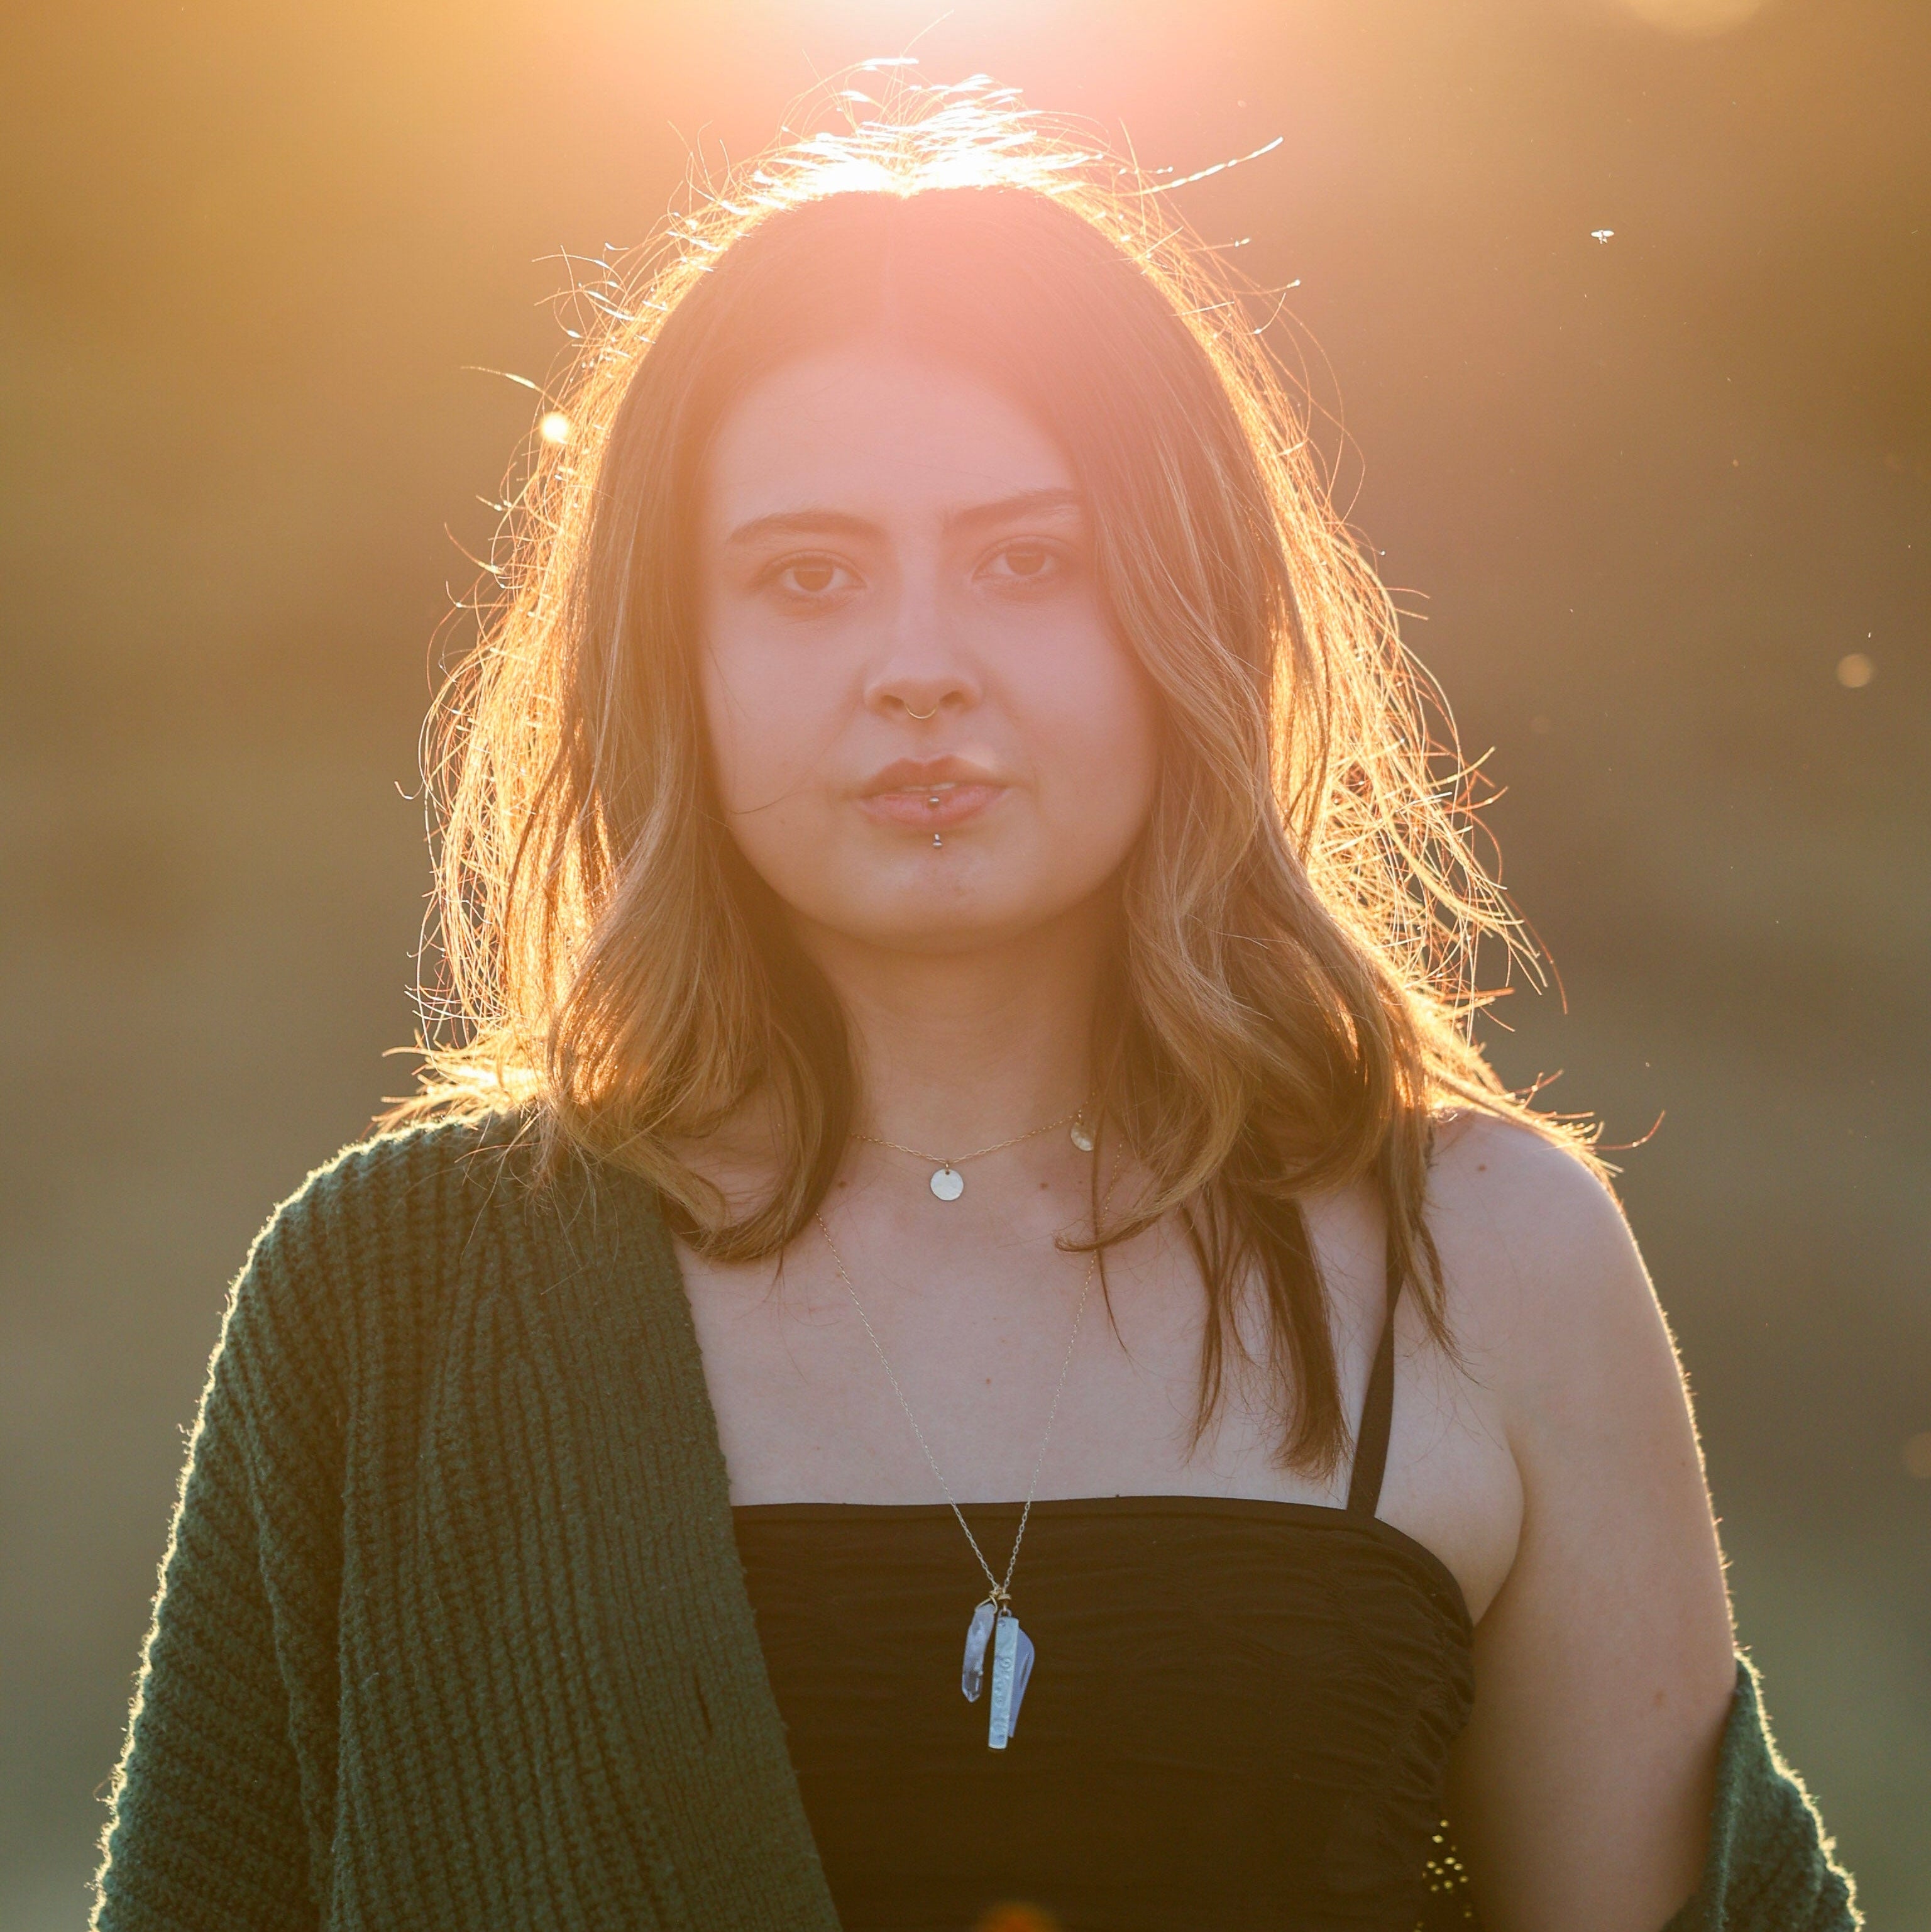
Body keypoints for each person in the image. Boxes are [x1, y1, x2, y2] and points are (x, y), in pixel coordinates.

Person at [92, 78, 1856, 1932]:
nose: (919, 667)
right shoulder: (394, 1304)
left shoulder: (1489, 1261)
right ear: (672, 658)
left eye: (1030, 561)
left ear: (1186, 615)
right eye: (808, 578)